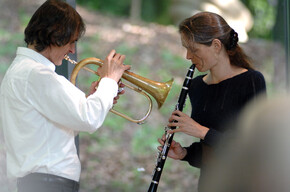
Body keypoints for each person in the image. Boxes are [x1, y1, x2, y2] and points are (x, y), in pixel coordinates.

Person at [0, 1, 130, 192]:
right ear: (56, 36)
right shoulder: (37, 75)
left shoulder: (25, 71)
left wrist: (97, 96)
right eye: (71, 42)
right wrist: (109, 80)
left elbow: (65, 123)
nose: (71, 50)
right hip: (47, 183)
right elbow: (89, 119)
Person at [158, 11, 266, 191]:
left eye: (194, 49)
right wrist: (185, 153)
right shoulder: (196, 86)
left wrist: (201, 131)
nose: (188, 56)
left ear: (216, 46)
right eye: (186, 48)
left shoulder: (252, 81)